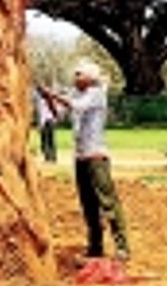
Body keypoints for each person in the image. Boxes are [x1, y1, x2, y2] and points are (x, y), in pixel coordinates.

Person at [38, 60, 130, 261]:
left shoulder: (97, 93)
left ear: (90, 78)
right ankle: (95, 247)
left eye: (79, 74)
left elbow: (77, 107)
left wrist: (52, 94)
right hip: (80, 157)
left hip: (96, 156)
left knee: (108, 202)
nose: (76, 77)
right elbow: (58, 116)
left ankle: (122, 247)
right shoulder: (76, 94)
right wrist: (48, 99)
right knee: (88, 205)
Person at [35, 85, 58, 163]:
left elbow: (44, 114)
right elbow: (53, 112)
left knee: (45, 140)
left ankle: (49, 157)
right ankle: (51, 157)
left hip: (46, 122)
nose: (39, 93)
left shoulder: (46, 100)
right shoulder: (45, 100)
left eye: (39, 91)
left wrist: (40, 125)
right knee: (50, 140)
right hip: (49, 121)